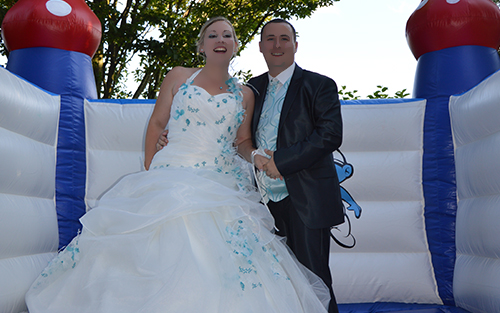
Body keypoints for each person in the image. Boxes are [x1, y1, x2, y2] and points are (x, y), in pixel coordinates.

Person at [24, 17, 331, 313]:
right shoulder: (179, 76)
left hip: (222, 182)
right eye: (212, 35)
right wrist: (151, 168)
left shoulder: (246, 93)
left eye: (227, 35)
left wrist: (255, 156)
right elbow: (158, 123)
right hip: (172, 172)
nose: (220, 40)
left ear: (236, 45)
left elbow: (242, 142)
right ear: (201, 46)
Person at [248, 19, 344, 313]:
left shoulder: (319, 85)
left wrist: (282, 163)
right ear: (261, 46)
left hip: (306, 198)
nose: (277, 45)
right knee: (273, 284)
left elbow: (330, 134)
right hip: (259, 203)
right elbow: (235, 135)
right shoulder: (252, 89)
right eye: (270, 39)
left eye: (284, 39)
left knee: (313, 281)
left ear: (295, 45)